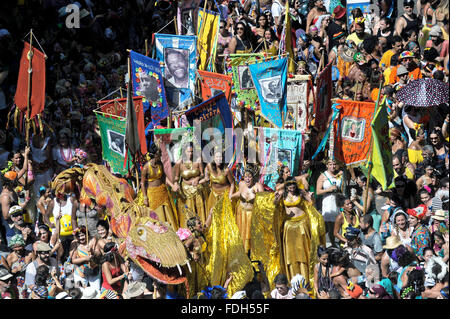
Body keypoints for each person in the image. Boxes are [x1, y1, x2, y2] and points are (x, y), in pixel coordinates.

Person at [275, 177, 311, 281]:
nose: (292, 186)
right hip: (289, 226)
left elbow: (310, 202)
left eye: (293, 184)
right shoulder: (282, 194)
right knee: (291, 252)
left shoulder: (300, 192)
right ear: (286, 186)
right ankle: (293, 277)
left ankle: (306, 277)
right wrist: (276, 198)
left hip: (301, 224)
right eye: (289, 184)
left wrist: (311, 197)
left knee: (303, 250)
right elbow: (275, 204)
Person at [140, 143, 178, 230]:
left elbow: (163, 176)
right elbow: (142, 183)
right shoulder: (146, 167)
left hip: (162, 191)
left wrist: (172, 186)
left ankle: (172, 231)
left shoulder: (160, 163)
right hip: (152, 193)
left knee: (167, 211)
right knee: (157, 214)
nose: (161, 155)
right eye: (159, 153)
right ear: (155, 155)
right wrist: (145, 197)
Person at [230, 165, 264, 254]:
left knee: (250, 236)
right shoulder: (241, 184)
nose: (247, 179)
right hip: (240, 213)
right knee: (241, 234)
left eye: (249, 177)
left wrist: (259, 195)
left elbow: (264, 201)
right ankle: (240, 254)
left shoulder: (258, 186)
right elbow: (240, 193)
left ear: (253, 177)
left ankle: (250, 254)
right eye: (245, 177)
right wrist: (231, 196)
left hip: (251, 215)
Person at [172, 142, 206, 229]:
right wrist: (175, 184)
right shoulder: (179, 163)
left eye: (192, 151)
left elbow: (202, 174)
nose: (190, 154)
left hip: (197, 189)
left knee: (200, 209)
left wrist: (197, 178)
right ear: (184, 151)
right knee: (188, 211)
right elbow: (176, 177)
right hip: (186, 191)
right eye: (188, 152)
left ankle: (201, 229)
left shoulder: (198, 160)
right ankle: (189, 231)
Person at [316, 158, 344, 247]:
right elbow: (318, 191)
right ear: (327, 165)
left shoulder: (340, 174)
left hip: (338, 201)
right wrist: (328, 189)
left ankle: (341, 242)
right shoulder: (323, 176)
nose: (333, 166)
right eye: (330, 164)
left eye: (334, 164)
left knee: (341, 222)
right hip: (328, 201)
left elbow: (343, 188)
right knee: (330, 225)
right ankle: (332, 244)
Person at [69, 226, 101, 291]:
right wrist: (85, 259)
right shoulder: (74, 243)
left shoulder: (93, 240)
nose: (81, 238)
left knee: (96, 291)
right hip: (80, 272)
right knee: (79, 292)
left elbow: (98, 254)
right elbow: (73, 260)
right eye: (78, 236)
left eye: (82, 235)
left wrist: (92, 251)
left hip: (94, 270)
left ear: (87, 234)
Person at [6, 234, 33, 299]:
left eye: (19, 246)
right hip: (17, 283)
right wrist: (14, 271)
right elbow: (7, 273)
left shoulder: (30, 254)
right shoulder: (10, 257)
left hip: (29, 281)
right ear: (12, 247)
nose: (18, 249)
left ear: (23, 245)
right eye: (15, 247)